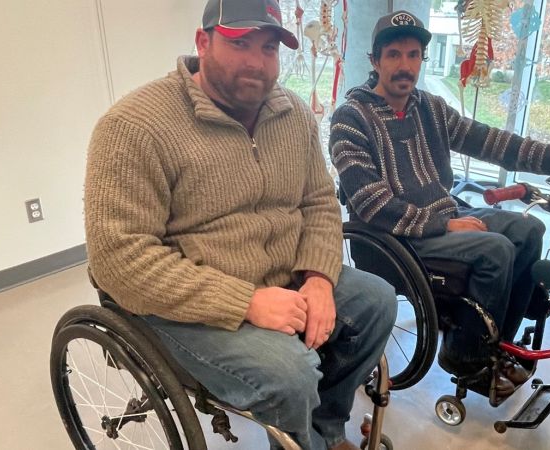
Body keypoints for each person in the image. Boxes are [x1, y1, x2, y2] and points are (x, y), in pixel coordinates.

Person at [83, 1, 397, 448]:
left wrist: (319, 278)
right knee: (288, 373)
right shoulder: (134, 128)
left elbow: (320, 201)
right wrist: (245, 301)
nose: (257, 62)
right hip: (188, 301)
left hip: (282, 276)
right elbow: (119, 259)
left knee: (378, 302)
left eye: (268, 47)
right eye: (240, 43)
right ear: (203, 42)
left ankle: (323, 435)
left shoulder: (293, 115)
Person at [329, 10, 550, 396]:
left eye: (413, 55)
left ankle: (496, 344)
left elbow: (491, 141)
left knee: (530, 229)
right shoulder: (350, 120)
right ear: (375, 61)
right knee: (495, 250)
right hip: (395, 236)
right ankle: (464, 357)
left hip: (445, 216)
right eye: (393, 54)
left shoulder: (430, 108)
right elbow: (371, 202)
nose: (404, 65)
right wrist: (441, 225)